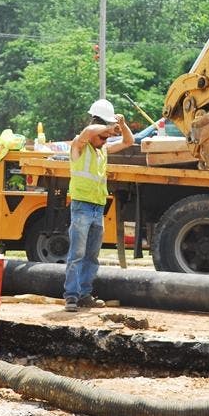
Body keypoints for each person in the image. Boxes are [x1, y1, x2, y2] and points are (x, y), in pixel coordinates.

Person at [63, 98, 134, 312]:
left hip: (97, 208)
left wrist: (121, 126)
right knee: (76, 255)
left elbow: (128, 141)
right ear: (95, 128)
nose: (104, 140)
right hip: (81, 207)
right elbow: (87, 133)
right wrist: (107, 127)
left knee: (91, 256)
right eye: (102, 137)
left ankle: (85, 295)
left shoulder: (102, 150)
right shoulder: (79, 146)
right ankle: (72, 298)